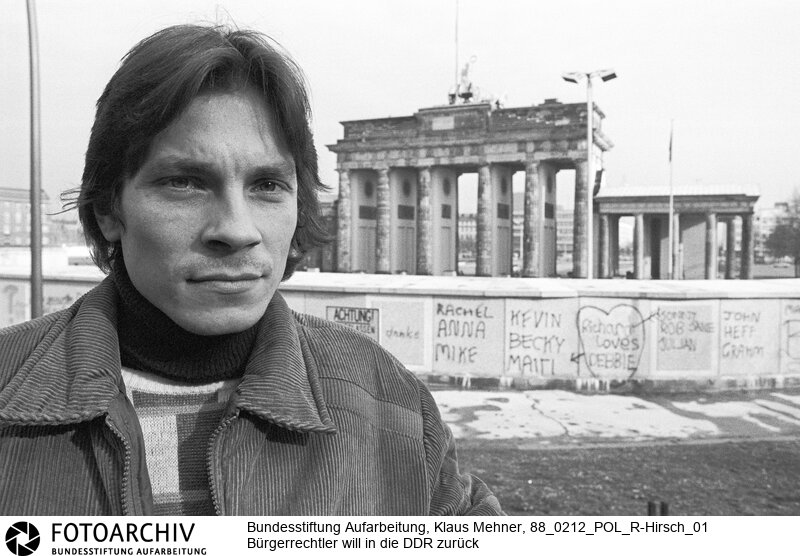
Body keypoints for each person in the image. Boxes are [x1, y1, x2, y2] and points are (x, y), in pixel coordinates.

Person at [0, 24, 501, 516]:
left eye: (267, 185)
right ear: (110, 209)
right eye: (185, 183)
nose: (236, 230)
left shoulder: (393, 404)